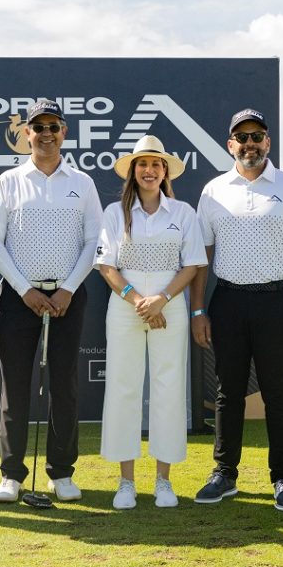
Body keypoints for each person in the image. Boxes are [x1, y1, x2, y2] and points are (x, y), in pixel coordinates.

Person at [190, 108, 283, 512]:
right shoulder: (214, 191)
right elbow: (201, 259)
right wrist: (198, 311)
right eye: (242, 137)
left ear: (267, 141)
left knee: (277, 391)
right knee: (228, 391)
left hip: (275, 302)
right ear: (230, 144)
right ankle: (224, 472)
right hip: (228, 301)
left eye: (256, 136)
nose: (249, 144)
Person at [0, 99, 103, 503]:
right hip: (20, 298)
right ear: (27, 133)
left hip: (68, 296)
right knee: (15, 387)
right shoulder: (9, 182)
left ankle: (61, 472)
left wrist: (67, 288)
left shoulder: (82, 182)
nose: (46, 133)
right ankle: (11, 475)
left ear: (63, 132)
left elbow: (94, 241)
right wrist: (25, 290)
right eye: (38, 127)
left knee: (64, 386)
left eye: (53, 126)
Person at [94, 135, 207, 509]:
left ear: (164, 172)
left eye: (156, 164)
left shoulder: (183, 213)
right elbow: (106, 265)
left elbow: (192, 265)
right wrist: (138, 301)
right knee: (123, 387)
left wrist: (161, 300)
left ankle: (163, 481)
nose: (149, 170)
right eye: (142, 164)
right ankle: (126, 482)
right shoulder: (115, 213)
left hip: (169, 305)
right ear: (133, 171)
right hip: (126, 306)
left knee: (168, 388)